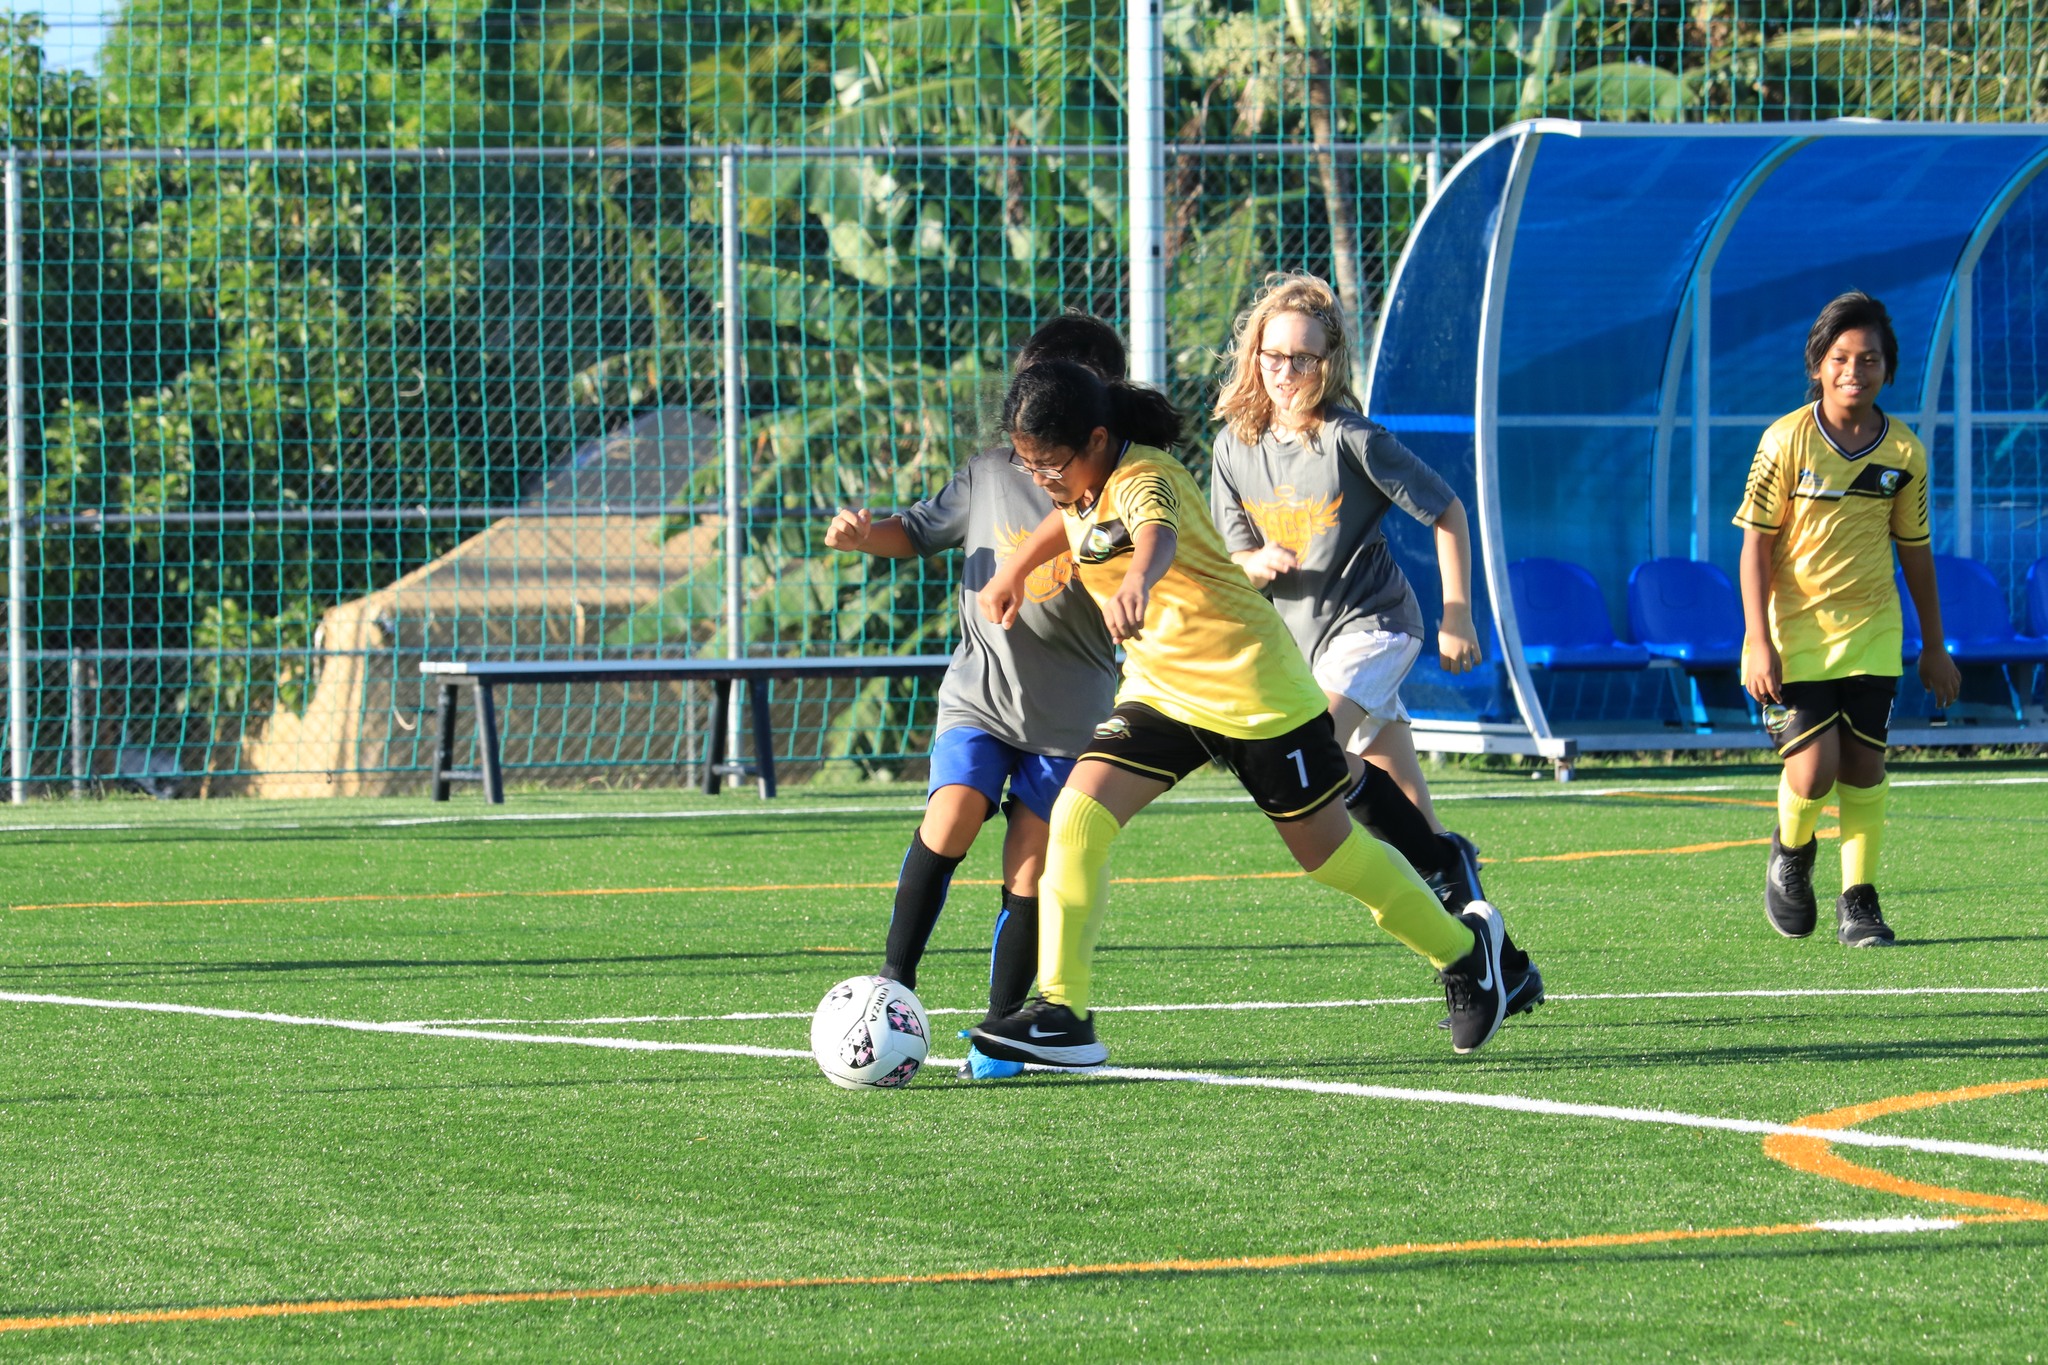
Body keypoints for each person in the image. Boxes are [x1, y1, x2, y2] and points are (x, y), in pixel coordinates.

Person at [966, 359, 1520, 1069]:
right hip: (1163, 693)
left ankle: (1471, 954)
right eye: (1028, 463)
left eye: (1049, 465)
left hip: (1257, 695)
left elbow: (1153, 533)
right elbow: (1070, 522)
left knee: (1333, 858)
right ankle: (1063, 1011)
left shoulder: (1147, 478)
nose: (1039, 476)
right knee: (1078, 814)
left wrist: (1138, 578)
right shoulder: (1081, 483)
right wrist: (1013, 571)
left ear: (1098, 441)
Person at [1209, 272, 1541, 1014]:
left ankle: (1461, 924)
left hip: (1375, 627)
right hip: (1303, 647)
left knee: (1312, 757)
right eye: (1273, 356)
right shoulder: (1234, 447)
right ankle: (1503, 963)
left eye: (1304, 358)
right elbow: (1229, 554)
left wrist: (1458, 613)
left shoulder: (1351, 439)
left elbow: (1448, 509)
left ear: (1331, 361)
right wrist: (1252, 562)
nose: (1287, 373)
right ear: (1252, 356)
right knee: (1416, 834)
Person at [824, 316, 1123, 1078]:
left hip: (1068, 718)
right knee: (952, 811)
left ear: (1097, 425)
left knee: (1029, 870)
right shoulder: (990, 474)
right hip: (981, 698)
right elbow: (919, 530)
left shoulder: (1124, 495)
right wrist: (867, 535)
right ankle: (893, 981)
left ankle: (997, 1031)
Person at [1734, 290, 1961, 947]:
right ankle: (1791, 850)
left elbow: (1915, 553)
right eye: (1840, 358)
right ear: (1817, 364)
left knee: (1864, 767)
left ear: (1888, 368)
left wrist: (1934, 646)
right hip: (1793, 630)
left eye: (1869, 359)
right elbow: (1755, 544)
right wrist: (1758, 638)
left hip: (1873, 628)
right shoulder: (1785, 440)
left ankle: (1859, 901)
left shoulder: (1905, 456)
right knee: (1813, 771)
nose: (1853, 371)